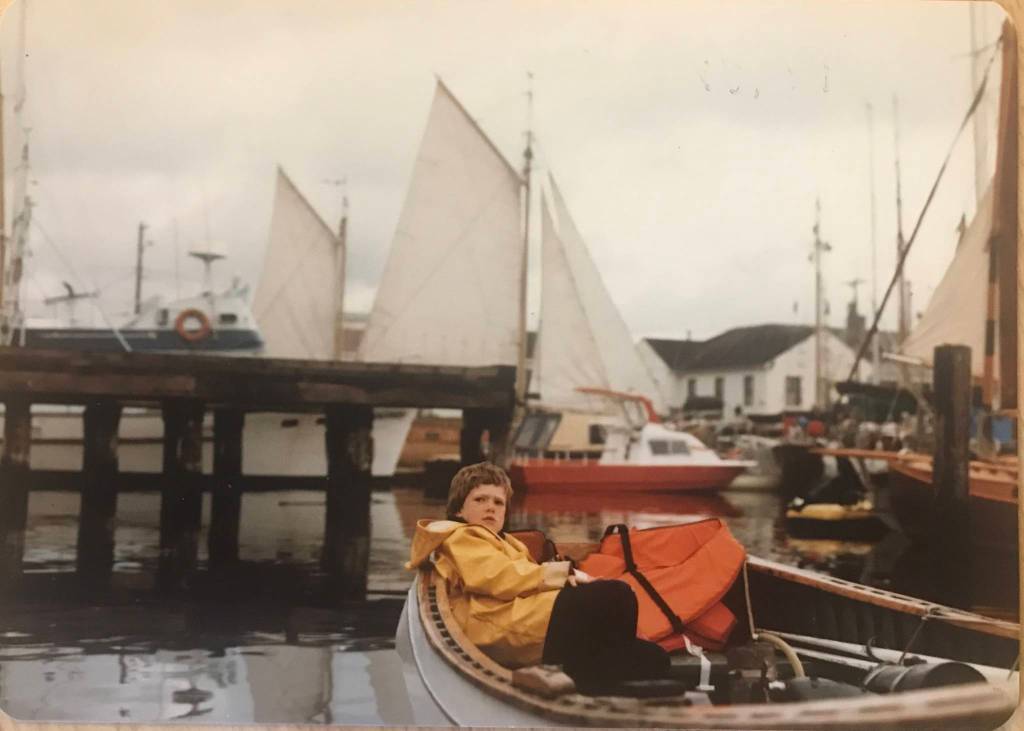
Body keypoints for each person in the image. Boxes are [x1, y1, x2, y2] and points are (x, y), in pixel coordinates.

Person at [406, 461, 670, 693]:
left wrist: (563, 582)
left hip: (529, 620)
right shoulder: (462, 536)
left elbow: (525, 581)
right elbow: (498, 577)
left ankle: (588, 672)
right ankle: (589, 680)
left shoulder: (508, 543)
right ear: (459, 510)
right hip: (498, 627)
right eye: (480, 500)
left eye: (498, 502)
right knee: (616, 594)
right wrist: (563, 574)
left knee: (656, 659)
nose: (491, 508)